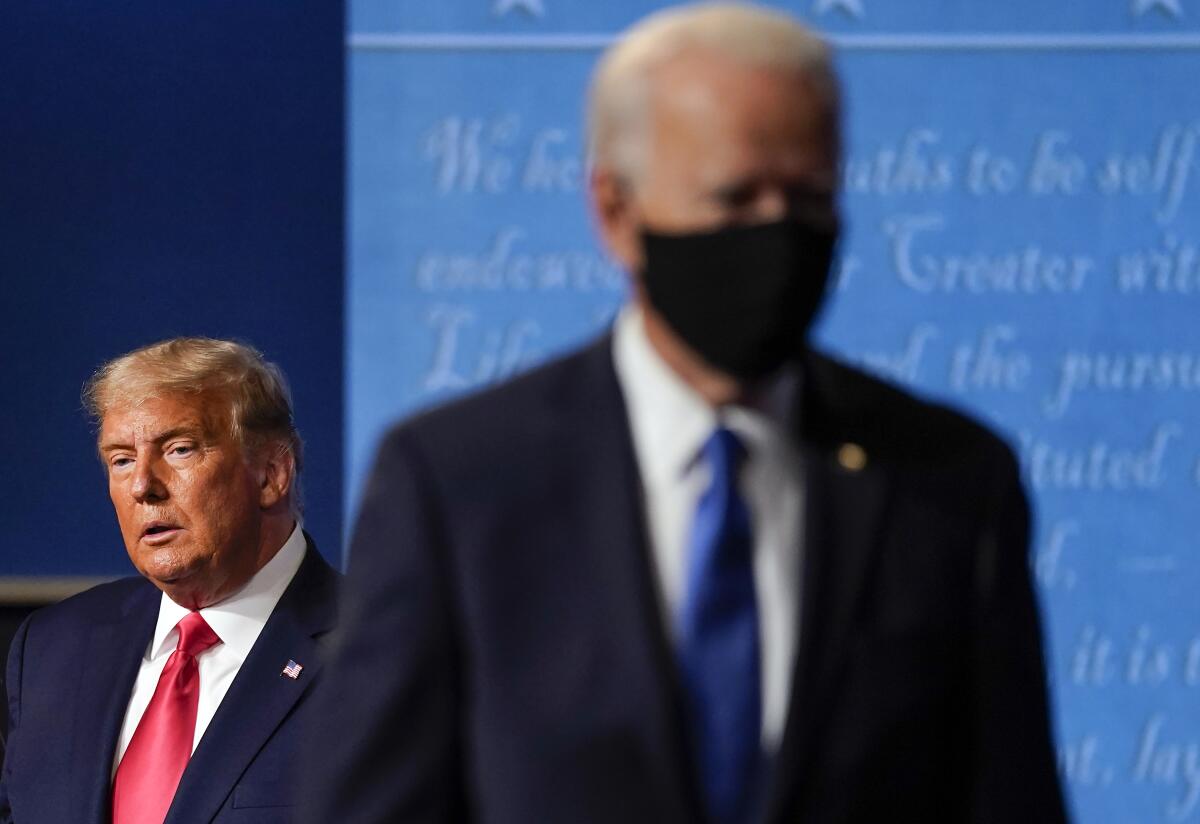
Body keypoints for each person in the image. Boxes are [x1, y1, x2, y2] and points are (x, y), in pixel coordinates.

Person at [310, 4, 1067, 823]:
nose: (778, 232)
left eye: (809, 199)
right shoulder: (458, 483)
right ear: (616, 211)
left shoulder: (947, 479)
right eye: (735, 198)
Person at [0, 337, 338, 824]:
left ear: (270, 474)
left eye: (179, 450)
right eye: (121, 460)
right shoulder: (52, 649)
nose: (142, 486)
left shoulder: (386, 651)